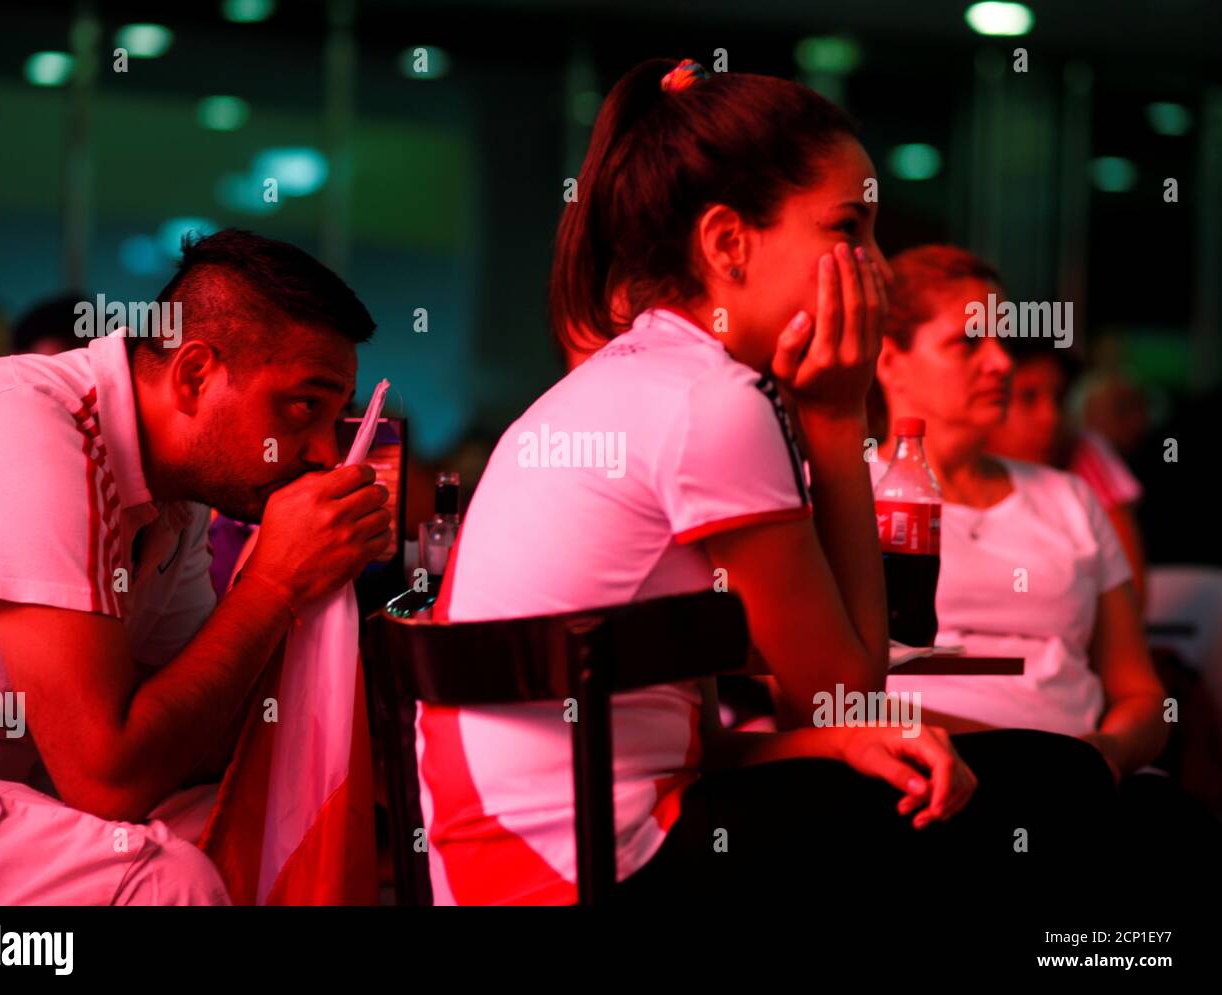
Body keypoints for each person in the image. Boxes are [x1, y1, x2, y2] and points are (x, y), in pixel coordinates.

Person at [417, 59, 1114, 906]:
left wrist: (838, 741)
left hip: (509, 860)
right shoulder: (714, 402)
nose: (877, 269)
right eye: (849, 228)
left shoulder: (630, 376)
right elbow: (843, 696)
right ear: (727, 242)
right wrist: (835, 415)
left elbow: (781, 724)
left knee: (993, 769)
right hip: (590, 870)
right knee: (1058, 780)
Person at [0, 229, 392, 905]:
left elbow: (196, 738)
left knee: (252, 835)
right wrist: (272, 584)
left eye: (337, 418)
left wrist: (313, 582)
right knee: (168, 881)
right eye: (302, 407)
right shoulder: (29, 436)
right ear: (195, 374)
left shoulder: (173, 495)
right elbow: (107, 777)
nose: (323, 452)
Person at [871, 245, 1218, 861]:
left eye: (1003, 341)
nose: (1001, 363)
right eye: (968, 344)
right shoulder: (849, 495)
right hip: (929, 775)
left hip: (1083, 776)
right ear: (890, 358)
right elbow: (817, 694)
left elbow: (1140, 693)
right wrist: (1027, 755)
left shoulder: (1070, 499)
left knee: (1178, 834)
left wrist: (1105, 754)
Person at [987, 336, 1147, 602]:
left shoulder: (1083, 453)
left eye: (1059, 398)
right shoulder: (938, 470)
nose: (1050, 417)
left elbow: (1132, 596)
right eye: (1028, 397)